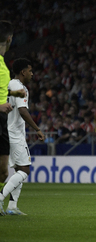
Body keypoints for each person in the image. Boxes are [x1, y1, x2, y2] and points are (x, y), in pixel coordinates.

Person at [0, 58, 45, 215]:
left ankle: (12, 206)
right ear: (23, 72)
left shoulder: (10, 84)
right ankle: (0, 198)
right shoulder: (19, 87)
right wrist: (37, 129)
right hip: (14, 133)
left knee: (19, 169)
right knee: (25, 170)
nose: (32, 74)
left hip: (8, 131)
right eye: (30, 70)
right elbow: (23, 110)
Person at [0, 20, 26, 192]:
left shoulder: (2, 64)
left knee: (3, 172)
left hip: (3, 120)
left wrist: (16, 94)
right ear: (9, 38)